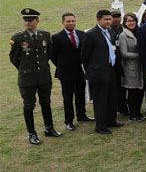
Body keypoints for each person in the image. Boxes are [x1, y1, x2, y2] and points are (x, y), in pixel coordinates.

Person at [10, 8, 62, 144]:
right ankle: (31, 133)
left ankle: (49, 128)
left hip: (44, 76)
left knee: (46, 103)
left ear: (37, 21)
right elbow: (14, 59)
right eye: (26, 20)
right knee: (29, 105)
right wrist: (25, 69)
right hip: (27, 79)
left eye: (31, 20)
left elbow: (49, 54)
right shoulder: (18, 38)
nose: (28, 23)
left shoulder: (45, 35)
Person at [81, 10, 123, 135]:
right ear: (98, 20)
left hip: (111, 69)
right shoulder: (90, 34)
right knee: (100, 100)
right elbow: (84, 56)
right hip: (98, 73)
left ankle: (111, 120)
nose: (108, 21)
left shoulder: (109, 31)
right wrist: (92, 70)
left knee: (112, 97)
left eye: (110, 19)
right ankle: (100, 126)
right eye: (105, 19)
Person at [50, 12, 92, 132]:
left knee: (80, 94)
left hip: (79, 71)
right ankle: (69, 121)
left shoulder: (81, 34)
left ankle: (81, 115)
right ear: (63, 22)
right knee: (68, 98)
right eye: (68, 21)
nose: (71, 23)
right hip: (65, 73)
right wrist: (62, 66)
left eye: (73, 21)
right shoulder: (57, 37)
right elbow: (53, 56)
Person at [118, 13, 145, 123]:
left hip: (141, 67)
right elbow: (124, 53)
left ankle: (138, 112)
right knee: (133, 91)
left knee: (140, 90)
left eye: (133, 20)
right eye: (128, 21)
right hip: (130, 67)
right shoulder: (123, 35)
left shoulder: (139, 32)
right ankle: (133, 113)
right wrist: (140, 55)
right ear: (124, 23)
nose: (131, 23)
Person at [110, 10, 126, 116]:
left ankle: (123, 106)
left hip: (123, 60)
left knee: (123, 85)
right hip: (112, 61)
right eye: (113, 17)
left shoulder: (124, 29)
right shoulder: (107, 30)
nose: (116, 19)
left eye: (118, 16)